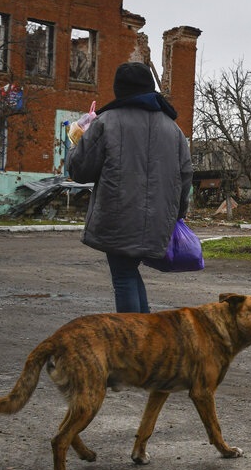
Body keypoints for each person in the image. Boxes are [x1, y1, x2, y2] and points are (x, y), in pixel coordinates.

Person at [67, 61, 193, 314]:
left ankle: (133, 343)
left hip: (118, 216)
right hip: (159, 219)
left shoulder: (106, 122)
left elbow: (79, 171)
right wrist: (176, 215)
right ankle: (145, 336)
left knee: (123, 276)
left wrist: (77, 137)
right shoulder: (173, 129)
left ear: (119, 90)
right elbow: (186, 176)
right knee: (128, 271)